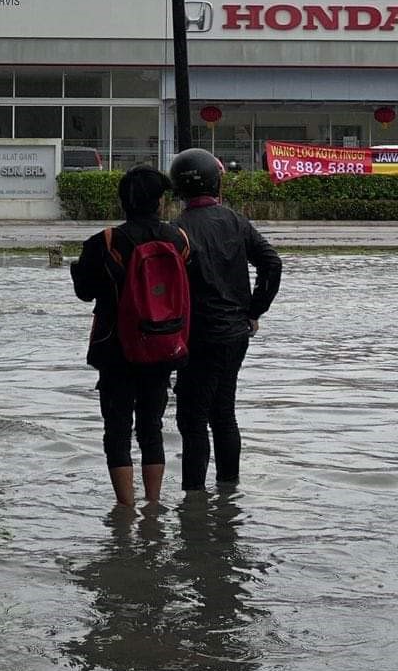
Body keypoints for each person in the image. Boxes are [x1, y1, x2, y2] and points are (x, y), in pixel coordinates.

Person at [70, 164, 190, 508]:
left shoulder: (104, 242)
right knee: (152, 426)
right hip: (163, 344)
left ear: (123, 201)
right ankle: (154, 505)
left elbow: (85, 293)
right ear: (159, 201)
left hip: (116, 349)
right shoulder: (178, 239)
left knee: (117, 429)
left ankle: (126, 508)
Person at [169, 147, 282, 491]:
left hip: (196, 339)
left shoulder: (177, 231)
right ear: (217, 183)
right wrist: (253, 311)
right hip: (235, 336)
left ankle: (194, 499)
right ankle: (228, 491)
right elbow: (272, 264)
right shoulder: (236, 221)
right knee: (224, 413)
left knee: (192, 421)